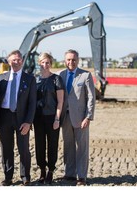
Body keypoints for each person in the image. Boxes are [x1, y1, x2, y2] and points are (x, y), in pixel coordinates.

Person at [0, 50, 36, 186]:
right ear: (8, 61)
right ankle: (8, 176)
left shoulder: (30, 79)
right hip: (4, 116)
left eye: (19, 59)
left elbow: (32, 103)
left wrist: (28, 122)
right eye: (13, 59)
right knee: (6, 148)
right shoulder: (1, 78)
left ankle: (25, 176)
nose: (16, 62)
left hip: (22, 118)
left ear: (22, 61)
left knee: (23, 148)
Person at [59, 49, 95, 186]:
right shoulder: (61, 75)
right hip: (65, 118)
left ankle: (81, 177)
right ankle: (69, 174)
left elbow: (91, 97)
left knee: (82, 147)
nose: (71, 62)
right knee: (68, 146)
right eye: (68, 59)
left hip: (80, 118)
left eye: (73, 59)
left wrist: (88, 117)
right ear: (65, 61)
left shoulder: (85, 75)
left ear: (78, 60)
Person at [33, 52, 64, 185]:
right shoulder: (34, 79)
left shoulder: (56, 79)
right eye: (43, 62)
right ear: (39, 63)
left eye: (48, 63)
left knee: (52, 145)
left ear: (51, 64)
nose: (45, 65)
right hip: (38, 118)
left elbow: (60, 102)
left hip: (52, 118)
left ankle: (51, 170)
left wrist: (57, 119)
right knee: (39, 145)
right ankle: (42, 170)